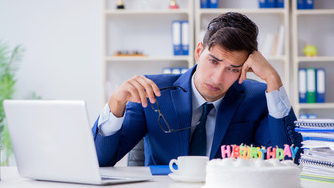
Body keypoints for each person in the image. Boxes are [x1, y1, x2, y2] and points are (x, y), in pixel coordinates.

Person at [92, 12, 303, 167]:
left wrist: (274, 81)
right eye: (213, 61)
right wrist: (116, 104)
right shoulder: (153, 92)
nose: (217, 78)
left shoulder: (257, 98)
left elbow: (288, 162)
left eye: (232, 69)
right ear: (199, 52)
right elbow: (100, 161)